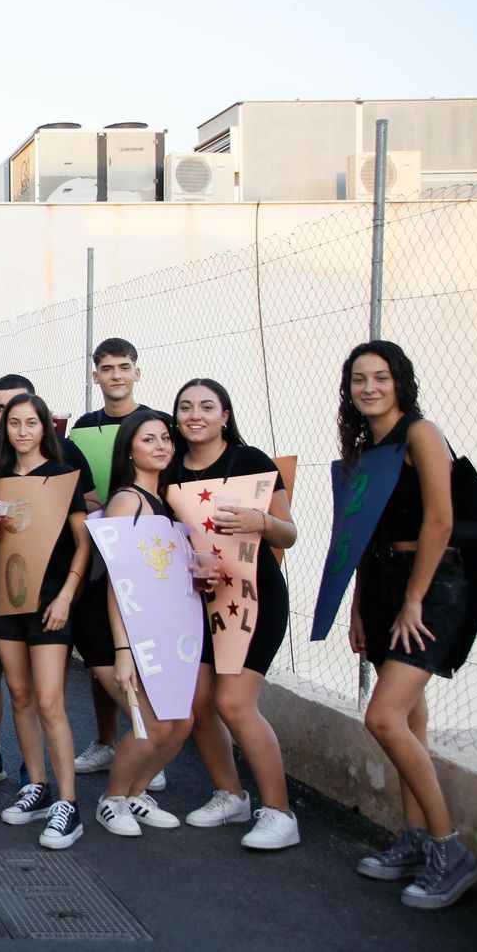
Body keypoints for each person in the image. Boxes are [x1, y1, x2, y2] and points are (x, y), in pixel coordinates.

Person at [344, 342, 477, 909]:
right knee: (411, 721)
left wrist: (415, 600)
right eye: (359, 379)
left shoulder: (422, 434)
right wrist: (358, 606)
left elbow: (441, 520)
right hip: (381, 584)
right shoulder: (364, 449)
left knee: (383, 717)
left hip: (430, 586)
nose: (370, 388)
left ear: (400, 381)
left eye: (380, 377)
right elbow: (361, 534)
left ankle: (451, 850)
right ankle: (415, 839)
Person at [169, 379, 301, 851]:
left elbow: (288, 534)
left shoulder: (250, 461)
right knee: (198, 703)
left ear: (225, 415)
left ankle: (280, 813)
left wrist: (260, 522)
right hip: (197, 600)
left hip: (254, 596)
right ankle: (231, 796)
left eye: (207, 406)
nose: (195, 415)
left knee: (235, 703)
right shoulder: (170, 467)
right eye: (186, 407)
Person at [0, 373, 96, 790]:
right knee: (20, 695)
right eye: (14, 423)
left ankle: (67, 801)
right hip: (4, 598)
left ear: (45, 427)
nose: (23, 431)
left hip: (51, 598)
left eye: (31, 423)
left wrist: (67, 596)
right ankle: (36, 787)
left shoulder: (63, 475)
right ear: (4, 428)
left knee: (49, 700)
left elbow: (84, 541)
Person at [70, 339, 168, 793]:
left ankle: (148, 743)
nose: (115, 375)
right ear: (96, 376)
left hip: (148, 553)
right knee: (99, 652)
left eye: (123, 367)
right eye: (106, 368)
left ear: (136, 372)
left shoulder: (157, 424)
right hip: (96, 549)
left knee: (141, 651)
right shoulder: (81, 430)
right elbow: (77, 490)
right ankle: (108, 741)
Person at [93, 410, 195, 838]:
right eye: (148, 439)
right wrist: (123, 651)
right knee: (150, 722)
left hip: (155, 628)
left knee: (181, 721)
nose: (160, 446)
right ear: (130, 451)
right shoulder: (127, 500)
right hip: (117, 631)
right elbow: (117, 579)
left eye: (165, 439)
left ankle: (135, 793)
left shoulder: (166, 500)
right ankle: (111, 800)